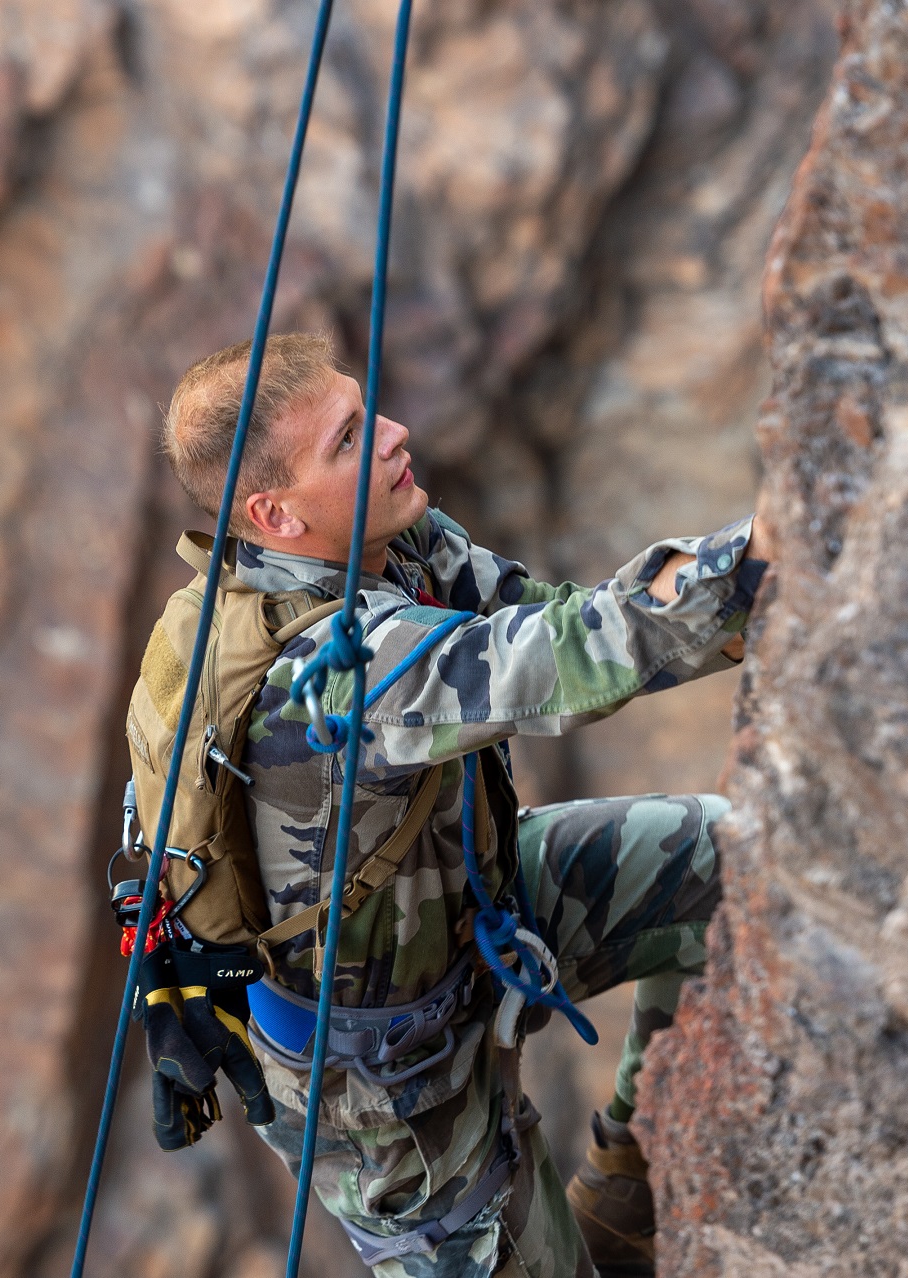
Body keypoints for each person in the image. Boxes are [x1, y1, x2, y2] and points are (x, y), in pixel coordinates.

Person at [154, 332, 772, 1278]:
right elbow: (562, 664)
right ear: (274, 514)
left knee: (728, 865)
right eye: (351, 439)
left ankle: (627, 1194)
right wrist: (765, 561)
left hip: (474, 911)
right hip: (391, 1096)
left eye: (371, 411)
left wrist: (718, 583)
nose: (397, 435)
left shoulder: (396, 545)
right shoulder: (323, 676)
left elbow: (555, 617)